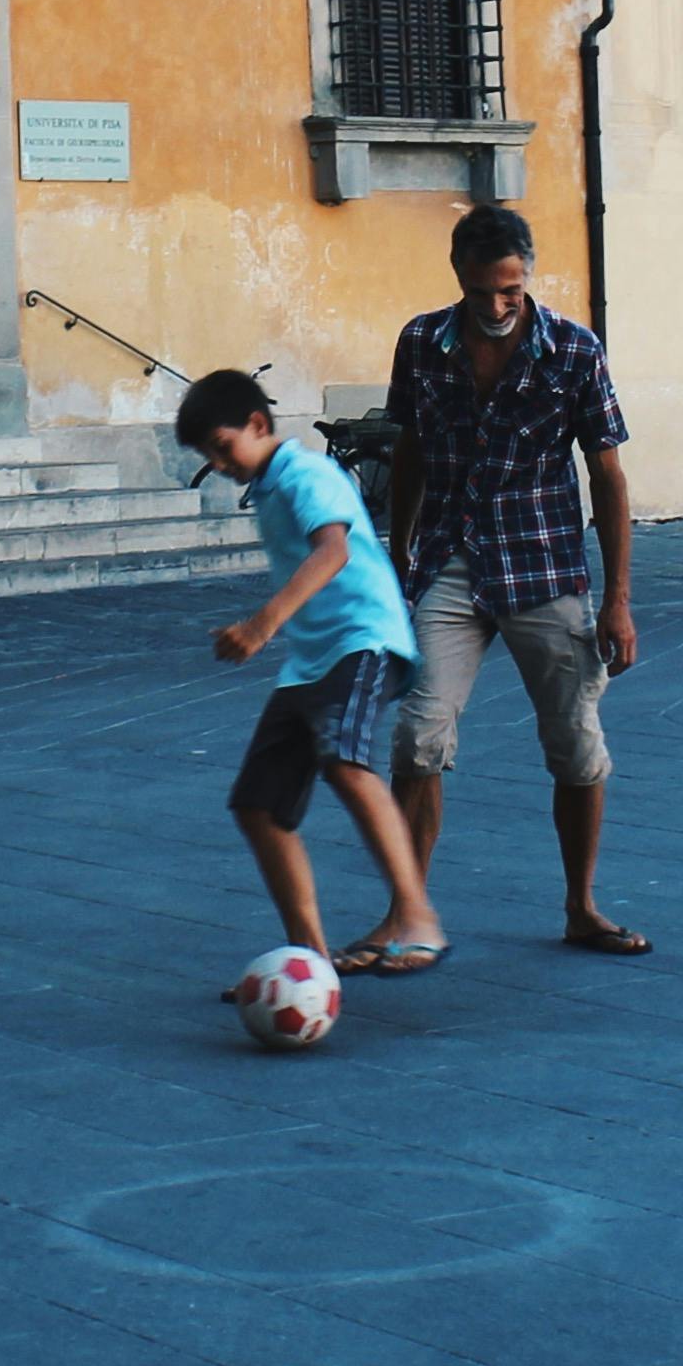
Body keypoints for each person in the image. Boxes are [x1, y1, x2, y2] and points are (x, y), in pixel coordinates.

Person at [385, 204, 648, 956]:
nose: (497, 306)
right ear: (457, 276)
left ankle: (581, 907)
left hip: (543, 564)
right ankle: (408, 915)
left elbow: (608, 476)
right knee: (417, 737)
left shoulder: (573, 348)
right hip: (449, 558)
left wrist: (618, 601)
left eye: (510, 290)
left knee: (575, 742)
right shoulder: (420, 342)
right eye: (482, 292)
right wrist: (399, 553)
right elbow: (409, 448)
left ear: (527, 275)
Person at [176, 366, 447, 983]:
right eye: (207, 455)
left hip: (363, 639)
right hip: (312, 662)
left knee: (346, 763)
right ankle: (309, 960)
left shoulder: (306, 474)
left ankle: (417, 918)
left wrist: (261, 626)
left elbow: (334, 551)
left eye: (222, 447)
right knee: (257, 805)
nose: (218, 464)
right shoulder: (268, 486)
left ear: (258, 424)